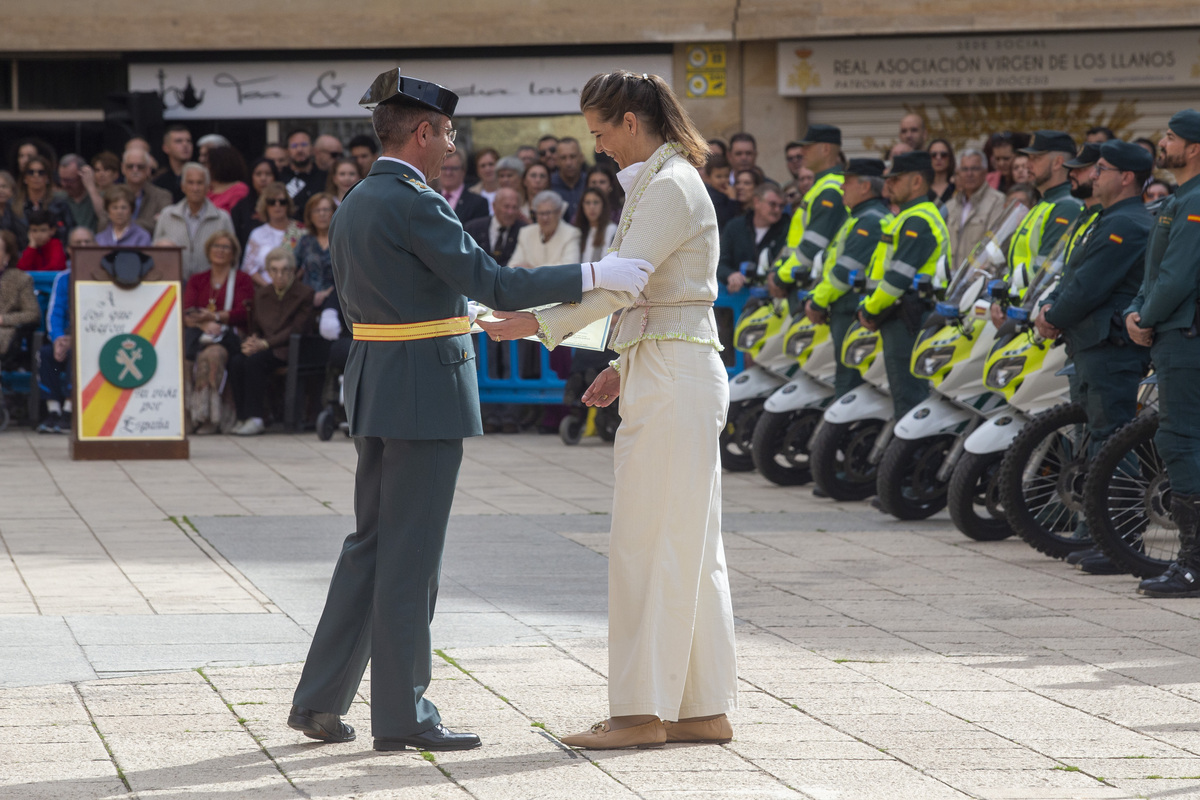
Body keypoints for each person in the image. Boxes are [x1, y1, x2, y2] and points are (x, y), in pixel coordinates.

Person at [286, 68, 650, 753]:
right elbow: (498, 279)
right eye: (447, 133)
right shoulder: (416, 201)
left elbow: (400, 293)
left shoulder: (359, 199)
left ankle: (320, 700)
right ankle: (404, 715)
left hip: (376, 384)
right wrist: (594, 274)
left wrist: (459, 313)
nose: (450, 144)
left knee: (370, 546)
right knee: (410, 559)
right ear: (422, 132)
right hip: (424, 390)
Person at [485, 68, 737, 751]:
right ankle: (699, 707)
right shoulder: (669, 181)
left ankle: (639, 714)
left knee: (644, 543)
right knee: (685, 544)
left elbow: (623, 285)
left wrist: (532, 323)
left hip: (677, 376)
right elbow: (664, 296)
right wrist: (624, 364)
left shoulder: (669, 184)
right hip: (671, 367)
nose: (598, 148)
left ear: (631, 121)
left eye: (600, 133)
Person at [1035, 140, 1154, 575]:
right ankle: (1097, 532)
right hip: (1088, 345)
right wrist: (1048, 308)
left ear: (1126, 177)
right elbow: (1071, 274)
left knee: (1113, 441)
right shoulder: (1105, 219)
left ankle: (1119, 539)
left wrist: (1054, 314)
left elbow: (1090, 286)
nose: (1093, 175)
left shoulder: (1129, 224)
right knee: (1096, 441)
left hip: (1110, 349)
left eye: (1101, 168)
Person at [1125, 110, 1200, 598]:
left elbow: (1178, 278)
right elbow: (1157, 275)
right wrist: (1138, 311)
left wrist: (1146, 318)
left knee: (1180, 441)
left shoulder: (1195, 203)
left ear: (1193, 148)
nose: (1162, 142)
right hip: (1171, 331)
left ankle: (1193, 564)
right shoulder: (1181, 198)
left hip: (1184, 337)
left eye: (1170, 137)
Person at [857, 151, 951, 418]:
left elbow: (897, 279)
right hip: (900, 315)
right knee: (904, 394)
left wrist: (869, 309)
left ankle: (913, 459)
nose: (888, 185)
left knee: (909, 398)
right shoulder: (909, 216)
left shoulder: (918, 220)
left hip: (908, 317)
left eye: (896, 179)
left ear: (917, 181)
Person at [806, 158, 892, 398]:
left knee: (849, 383)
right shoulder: (860, 216)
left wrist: (816, 301)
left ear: (864, 187)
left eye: (847, 182)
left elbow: (844, 271)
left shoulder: (870, 220)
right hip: (848, 309)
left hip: (851, 311)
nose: (842, 187)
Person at [227, 246, 315, 436]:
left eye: (285, 270)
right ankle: (243, 417)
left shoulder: (305, 293)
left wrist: (264, 344)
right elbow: (256, 327)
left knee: (254, 361)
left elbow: (296, 329)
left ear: (293, 270)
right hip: (264, 347)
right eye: (274, 270)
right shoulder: (262, 294)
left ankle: (256, 418)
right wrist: (252, 341)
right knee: (236, 361)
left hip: (290, 349)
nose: (279, 275)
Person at [463, 187, 528, 434]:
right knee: (483, 359)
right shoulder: (474, 227)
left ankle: (512, 414)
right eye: (505, 207)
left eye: (514, 207)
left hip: (515, 307)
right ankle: (487, 414)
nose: (510, 212)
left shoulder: (525, 231)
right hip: (480, 304)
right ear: (495, 206)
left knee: (513, 362)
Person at [182, 230, 255, 434]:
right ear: (208, 250)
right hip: (199, 335)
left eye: (226, 247)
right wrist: (203, 325)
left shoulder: (242, 279)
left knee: (213, 356)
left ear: (233, 252)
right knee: (184, 362)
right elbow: (188, 311)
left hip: (229, 337)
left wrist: (215, 317)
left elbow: (243, 312)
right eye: (216, 246)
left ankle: (209, 417)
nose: (220, 251)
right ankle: (188, 416)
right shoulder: (197, 279)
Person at [770, 124, 846, 300]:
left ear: (826, 149)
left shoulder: (830, 190)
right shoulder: (820, 186)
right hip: (801, 279)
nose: (802, 152)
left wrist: (780, 277)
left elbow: (813, 245)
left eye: (807, 147)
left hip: (813, 283)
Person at [153, 162, 237, 281]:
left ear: (208, 187)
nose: (195, 188)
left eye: (200, 183)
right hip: (174, 284)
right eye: (190, 182)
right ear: (183, 187)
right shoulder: (167, 215)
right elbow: (156, 253)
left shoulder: (222, 218)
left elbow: (233, 256)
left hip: (209, 285)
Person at [717, 183, 788, 296]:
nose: (777, 210)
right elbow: (719, 262)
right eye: (772, 204)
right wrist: (730, 275)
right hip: (736, 295)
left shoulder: (787, 229)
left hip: (771, 296)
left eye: (781, 206)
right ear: (756, 202)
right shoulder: (735, 227)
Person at [941, 148, 1008, 267]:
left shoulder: (998, 201)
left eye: (975, 169)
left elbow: (995, 246)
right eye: (964, 169)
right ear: (958, 173)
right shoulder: (950, 206)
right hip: (950, 280)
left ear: (985, 172)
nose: (969, 174)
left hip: (978, 281)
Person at [242, 182, 304, 286]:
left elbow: (307, 264)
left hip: (295, 291)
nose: (277, 205)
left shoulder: (301, 231)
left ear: (288, 204)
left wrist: (290, 286)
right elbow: (249, 267)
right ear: (265, 206)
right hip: (265, 292)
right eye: (272, 202)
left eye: (282, 201)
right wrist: (268, 288)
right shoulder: (257, 234)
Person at [509, 191, 581, 267]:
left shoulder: (571, 234)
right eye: (541, 213)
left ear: (558, 212)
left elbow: (569, 267)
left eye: (548, 213)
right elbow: (513, 266)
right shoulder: (526, 233)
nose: (544, 218)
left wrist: (532, 270)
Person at [0, 230, 39, 365]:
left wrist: (4, 319)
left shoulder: (20, 279)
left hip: (4, 332)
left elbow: (33, 314)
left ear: (7, 257)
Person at [16, 156, 73, 242]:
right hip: (21, 253)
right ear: (25, 178)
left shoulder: (60, 205)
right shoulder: (13, 205)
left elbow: (69, 233)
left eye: (41, 172)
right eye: (31, 172)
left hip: (54, 252)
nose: (36, 175)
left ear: (47, 178)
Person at [116, 148, 172, 234]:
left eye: (140, 166)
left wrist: (121, 222)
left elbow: (164, 226)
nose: (135, 170)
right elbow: (104, 224)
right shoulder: (112, 193)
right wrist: (148, 223)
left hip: (150, 245)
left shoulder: (162, 196)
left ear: (148, 169)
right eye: (130, 166)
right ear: (123, 168)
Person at [295, 193, 337, 307]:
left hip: (337, 300)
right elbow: (292, 270)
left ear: (334, 212)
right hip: (307, 299)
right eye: (316, 210)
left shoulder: (341, 240)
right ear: (310, 215)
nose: (321, 214)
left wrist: (329, 293)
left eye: (326, 210)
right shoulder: (305, 241)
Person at [280, 129, 327, 222]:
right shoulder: (280, 179)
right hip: (290, 232)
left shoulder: (324, 177)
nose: (299, 150)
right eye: (294, 146)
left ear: (312, 149)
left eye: (304, 145)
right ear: (287, 151)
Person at [232, 158, 278, 249]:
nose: (263, 178)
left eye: (268, 174)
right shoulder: (240, 208)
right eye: (258, 174)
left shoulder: (283, 204)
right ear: (251, 177)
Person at [436, 151, 488, 224]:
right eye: (444, 168)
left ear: (463, 171)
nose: (448, 173)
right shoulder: (430, 198)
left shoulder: (478, 203)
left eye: (453, 168)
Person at [574, 187, 617, 262]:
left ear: (603, 205)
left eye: (596, 202)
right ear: (582, 206)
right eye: (587, 203)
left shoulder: (611, 229)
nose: (592, 207)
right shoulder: (578, 230)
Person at [153, 125, 194, 202]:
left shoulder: (202, 179)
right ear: (166, 148)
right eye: (178, 141)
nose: (185, 144)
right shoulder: (159, 183)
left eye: (189, 141)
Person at [57, 155, 98, 232]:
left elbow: (103, 216)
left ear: (82, 177)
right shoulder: (58, 198)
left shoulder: (96, 197)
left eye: (69, 180)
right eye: (62, 179)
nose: (64, 184)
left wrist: (91, 186)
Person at [550, 137, 588, 220]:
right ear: (556, 161)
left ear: (581, 158)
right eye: (563, 158)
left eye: (573, 156)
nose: (568, 163)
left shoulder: (590, 182)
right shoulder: (549, 185)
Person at [206, 146, 250, 213]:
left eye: (209, 164)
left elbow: (237, 216)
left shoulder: (239, 189)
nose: (206, 168)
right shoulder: (206, 189)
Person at [703, 154, 737, 231]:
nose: (723, 180)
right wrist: (732, 199)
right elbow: (726, 219)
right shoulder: (711, 196)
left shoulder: (727, 191)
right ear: (708, 178)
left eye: (726, 176)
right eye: (718, 176)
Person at [0, 171, 28, 251]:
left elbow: (23, 237)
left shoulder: (19, 210)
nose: (1, 190)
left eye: (4, 186)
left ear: (12, 190)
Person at [467, 147, 500, 212]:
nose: (487, 169)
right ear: (477, 170)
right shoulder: (470, 193)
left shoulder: (510, 191)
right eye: (483, 166)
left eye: (491, 164)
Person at [928, 138, 956, 204]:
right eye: (933, 155)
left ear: (950, 158)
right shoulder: (921, 189)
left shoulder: (957, 187)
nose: (938, 158)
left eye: (943, 155)